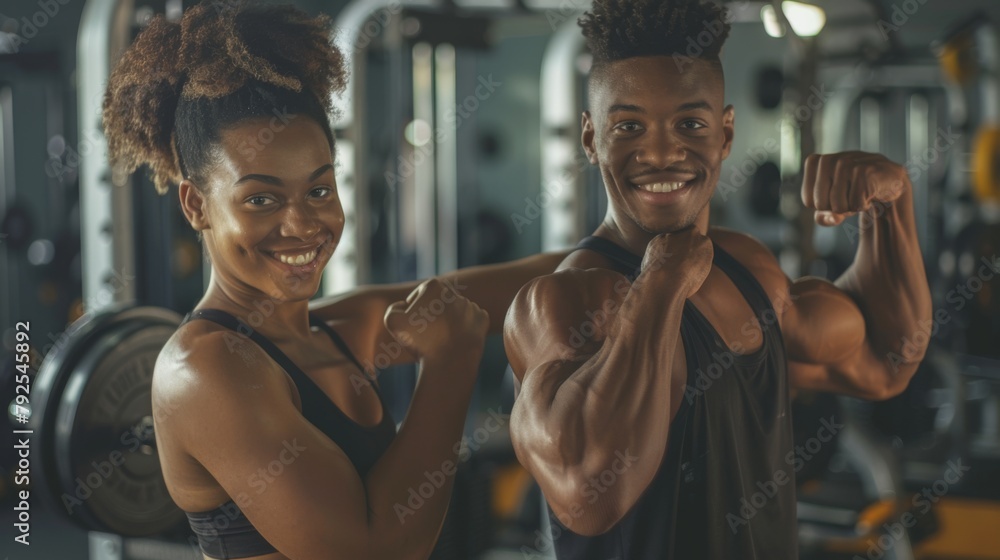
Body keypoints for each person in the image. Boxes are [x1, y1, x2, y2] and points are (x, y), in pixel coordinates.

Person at [102, 3, 565, 558]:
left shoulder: (342, 328)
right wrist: (451, 362)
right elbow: (371, 552)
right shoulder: (203, 370)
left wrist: (658, 244)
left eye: (319, 190)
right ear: (197, 204)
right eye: (261, 198)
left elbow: (531, 283)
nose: (301, 225)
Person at [504, 0, 933, 558]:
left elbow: (885, 359)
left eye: (690, 123)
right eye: (629, 126)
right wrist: (661, 282)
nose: (660, 151)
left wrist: (891, 203)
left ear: (725, 134)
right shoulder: (561, 302)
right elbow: (589, 493)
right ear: (591, 139)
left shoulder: (748, 270)